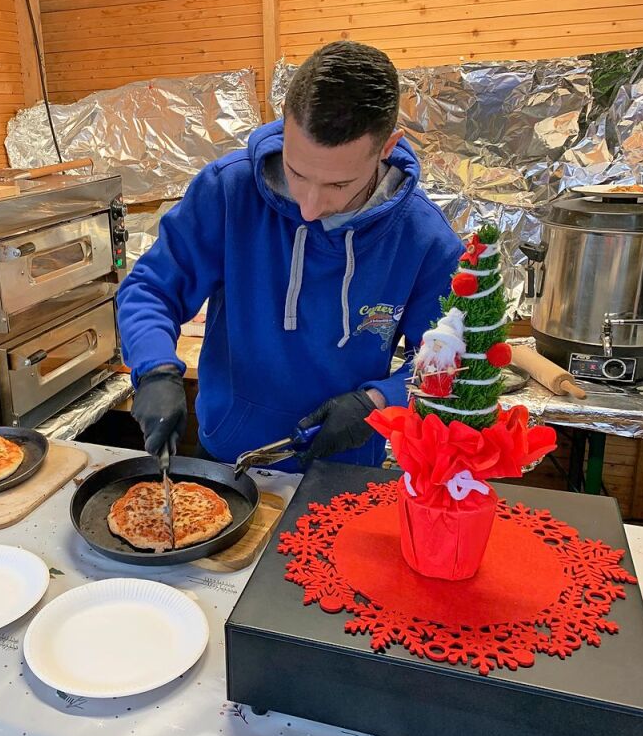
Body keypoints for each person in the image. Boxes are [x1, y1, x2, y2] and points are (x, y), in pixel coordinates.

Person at [117, 40, 462, 470]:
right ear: (285, 123)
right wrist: (154, 368)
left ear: (387, 147)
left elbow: (447, 361)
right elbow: (151, 289)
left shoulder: (424, 238)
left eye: (338, 185)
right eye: (298, 173)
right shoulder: (229, 191)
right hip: (229, 453)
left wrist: (378, 401)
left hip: (343, 465)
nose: (309, 207)